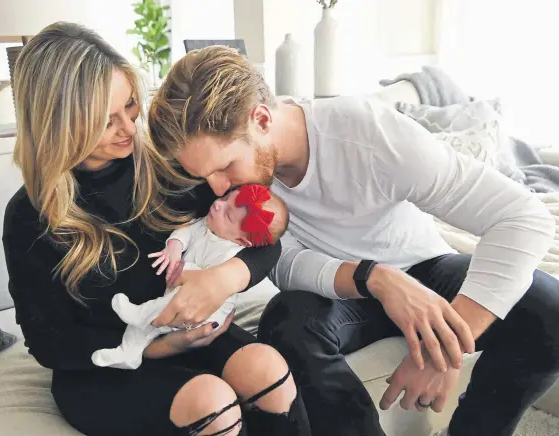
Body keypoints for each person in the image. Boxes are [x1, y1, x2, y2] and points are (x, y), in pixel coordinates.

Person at [148, 45, 559, 436]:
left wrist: (445, 348)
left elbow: (523, 216)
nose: (217, 190)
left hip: (422, 267)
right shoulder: (226, 180)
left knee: (550, 308)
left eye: (224, 167)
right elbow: (283, 263)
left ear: (261, 120)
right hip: (343, 292)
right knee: (286, 320)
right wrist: (373, 278)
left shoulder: (368, 134)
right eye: (205, 176)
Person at [3, 23, 311, 436]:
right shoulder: (29, 215)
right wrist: (159, 347)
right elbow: (47, 341)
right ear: (57, 124)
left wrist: (223, 279)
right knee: (212, 406)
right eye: (106, 121)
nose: (130, 129)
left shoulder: (170, 170)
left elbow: (264, 236)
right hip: (107, 365)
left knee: (268, 370)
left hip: (194, 335)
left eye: (130, 105)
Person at [92, 185, 289, 370]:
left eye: (227, 215)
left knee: (154, 312)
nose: (218, 205)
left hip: (204, 314)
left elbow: (207, 285)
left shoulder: (231, 251)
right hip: (174, 301)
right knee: (143, 326)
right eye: (225, 197)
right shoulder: (208, 224)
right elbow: (186, 230)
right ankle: (129, 354)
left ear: (241, 240)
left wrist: (189, 271)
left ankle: (141, 316)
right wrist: (174, 248)